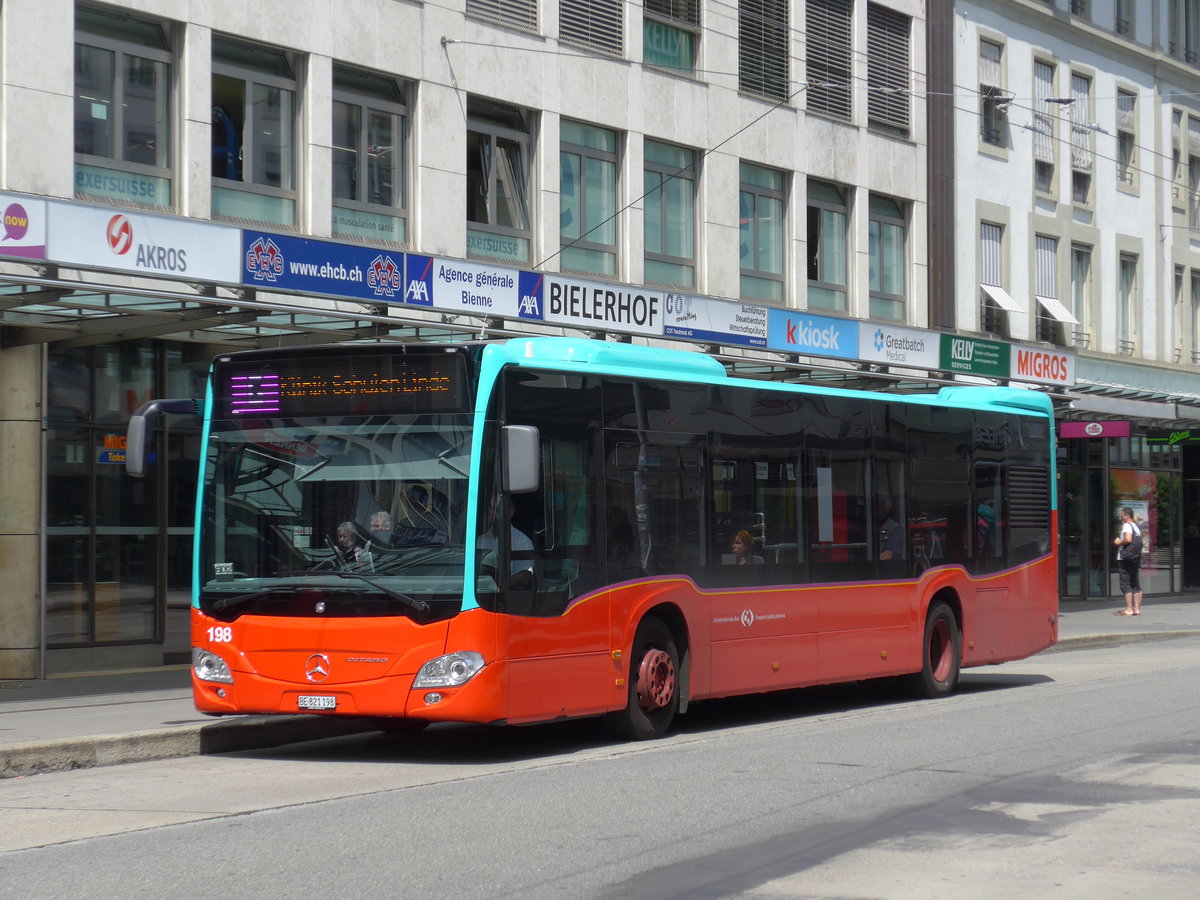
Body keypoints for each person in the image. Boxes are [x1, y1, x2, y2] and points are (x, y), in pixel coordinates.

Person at [478, 498, 535, 587]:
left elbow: (526, 574)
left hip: (508, 596)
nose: (493, 513)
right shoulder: (480, 541)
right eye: (490, 508)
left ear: (510, 512)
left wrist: (499, 586)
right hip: (479, 593)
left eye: (497, 509)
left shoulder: (521, 540)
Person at [1113, 506, 1143, 616]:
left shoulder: (1127, 525)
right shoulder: (1137, 526)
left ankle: (1129, 609)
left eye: (1122, 515)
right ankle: (1137, 609)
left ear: (1127, 515)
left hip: (1126, 558)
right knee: (1135, 583)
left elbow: (1128, 539)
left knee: (1125, 583)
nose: (1121, 517)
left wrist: (1118, 542)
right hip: (1135, 557)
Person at [877, 497, 902, 561]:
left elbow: (889, 554)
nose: (876, 510)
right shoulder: (871, 526)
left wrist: (872, 560)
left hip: (888, 567)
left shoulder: (895, 528)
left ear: (886, 509)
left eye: (879, 507)